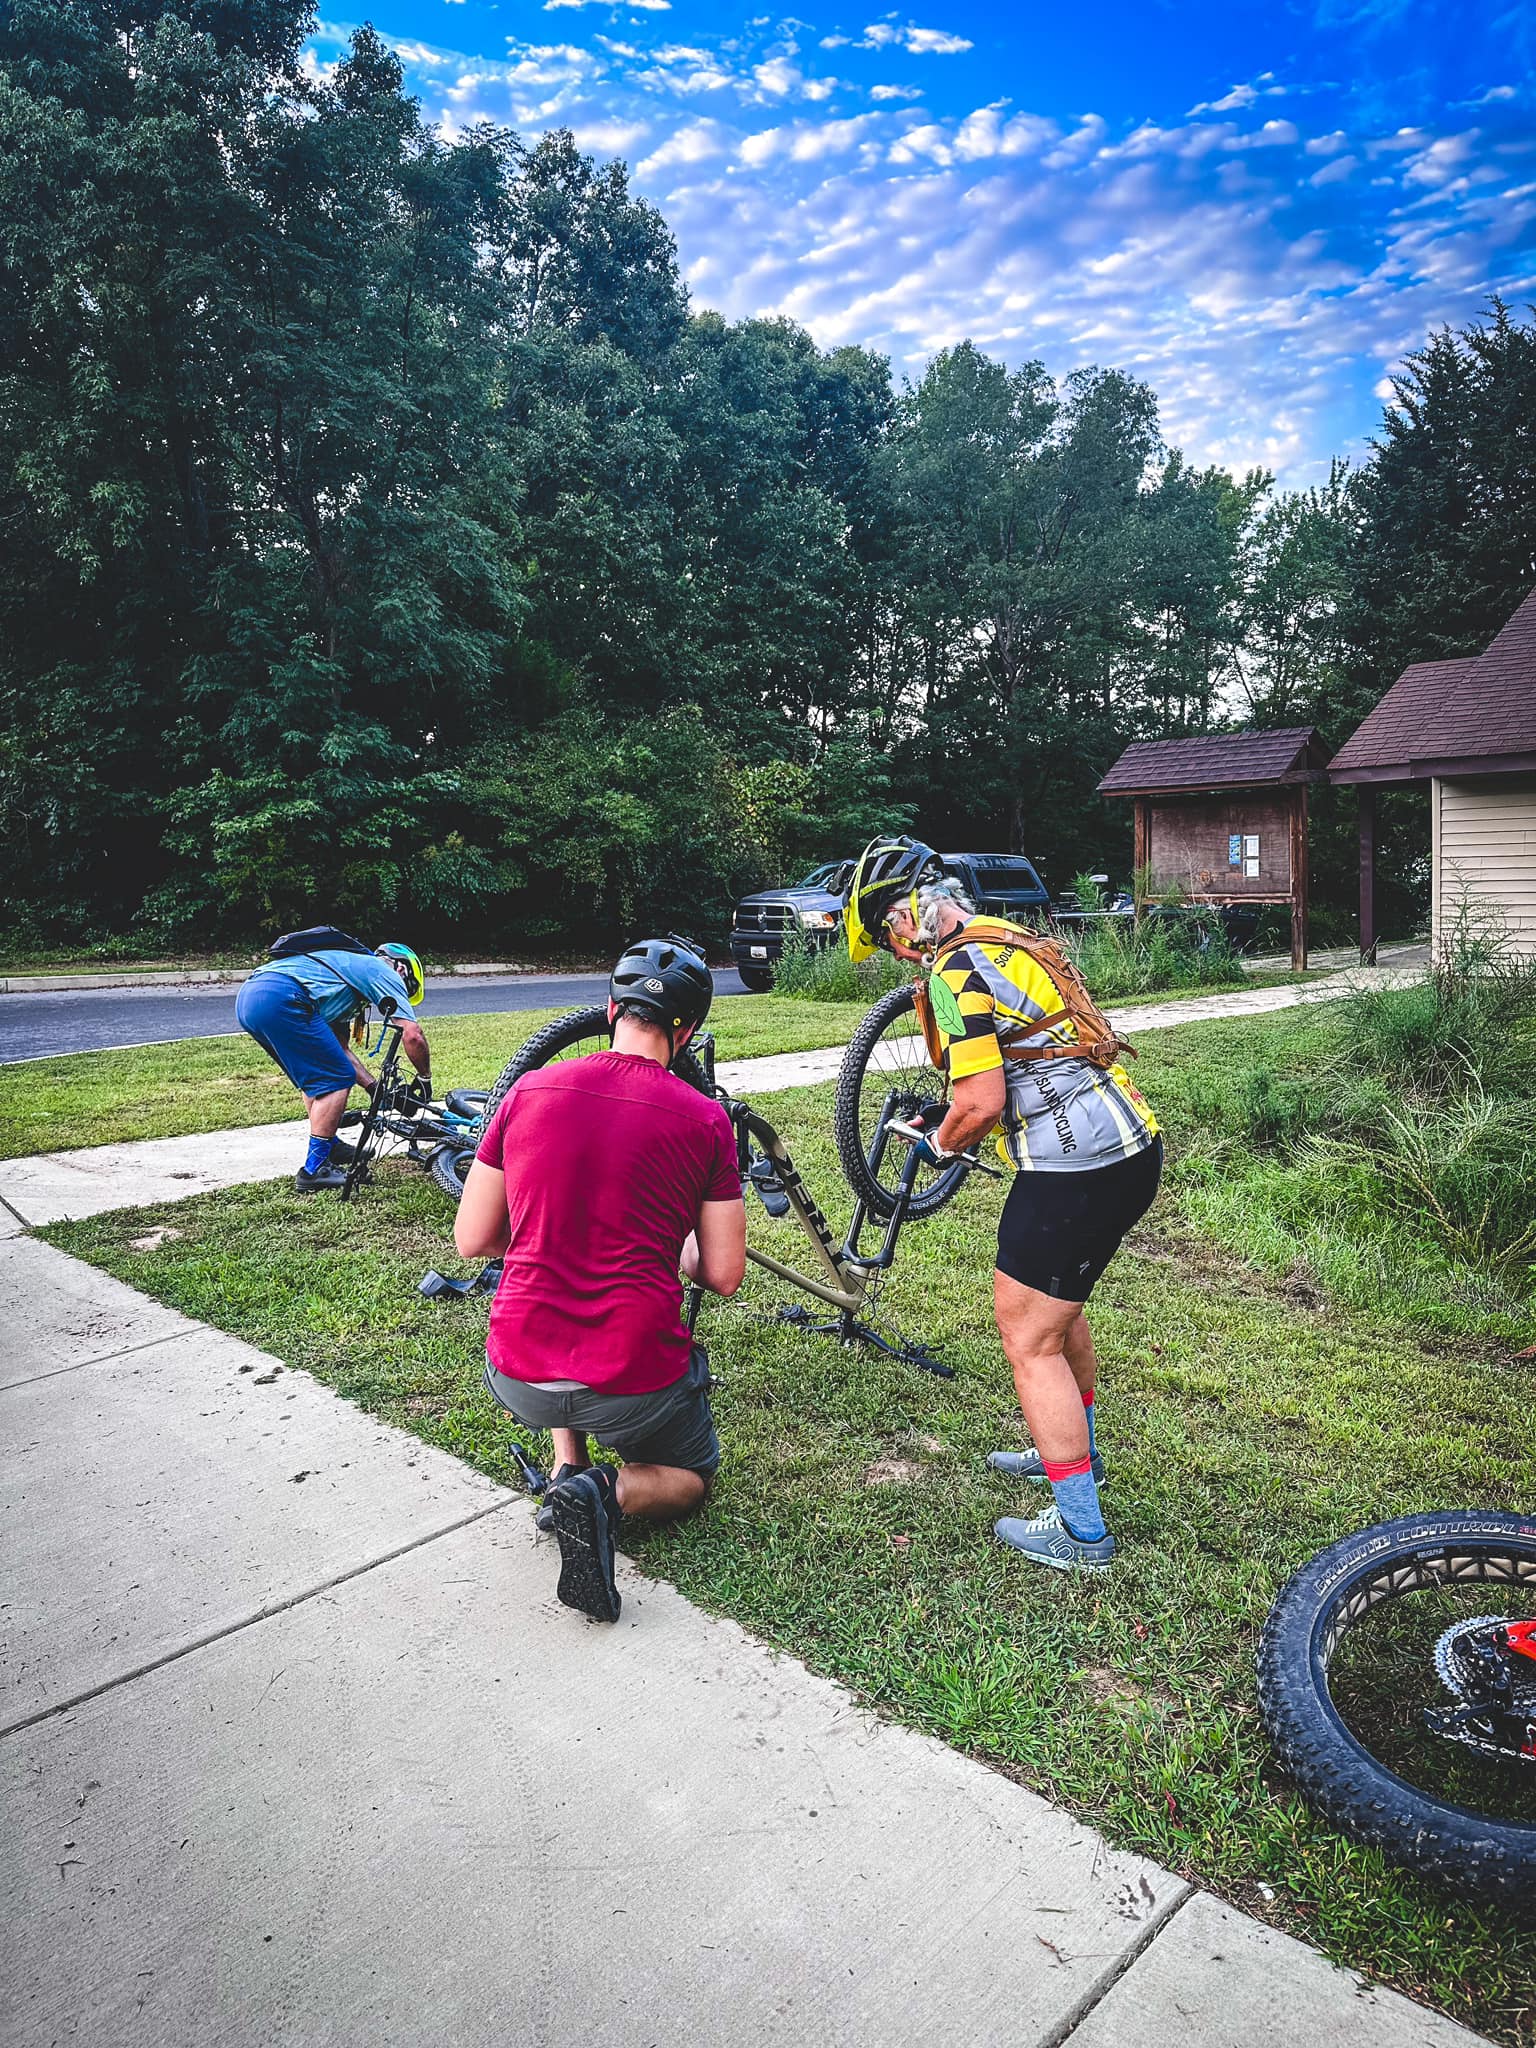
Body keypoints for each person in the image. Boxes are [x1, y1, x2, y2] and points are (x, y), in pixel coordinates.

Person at [845, 837, 1162, 1572]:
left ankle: (1081, 1531)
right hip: (1127, 1144)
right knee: (1060, 1313)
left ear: (902, 917)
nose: (898, 954)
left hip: (1073, 1170)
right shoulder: (1005, 936)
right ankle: (1076, 1455)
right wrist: (955, 1116)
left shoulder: (953, 972)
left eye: (888, 938)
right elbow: (1023, 1054)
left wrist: (941, 1142)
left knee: (1029, 1339)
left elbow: (981, 1104)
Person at [454, 935, 746, 1624]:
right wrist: (674, 1245)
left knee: (555, 1317)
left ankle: (566, 1466)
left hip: (518, 1373)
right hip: (629, 1382)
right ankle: (602, 1491)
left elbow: (473, 1240)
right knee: (691, 1479)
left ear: (611, 1010)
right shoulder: (706, 1120)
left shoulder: (527, 1090)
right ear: (687, 1032)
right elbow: (724, 1275)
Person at [235, 938, 432, 1192]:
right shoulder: (380, 969)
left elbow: (340, 1049)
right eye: (406, 988)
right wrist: (424, 1078)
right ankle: (314, 1170)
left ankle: (329, 1147)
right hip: (282, 996)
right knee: (335, 1079)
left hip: (251, 998)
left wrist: (375, 1089)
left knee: (318, 1077)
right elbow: (412, 1034)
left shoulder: (342, 981)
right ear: (402, 969)